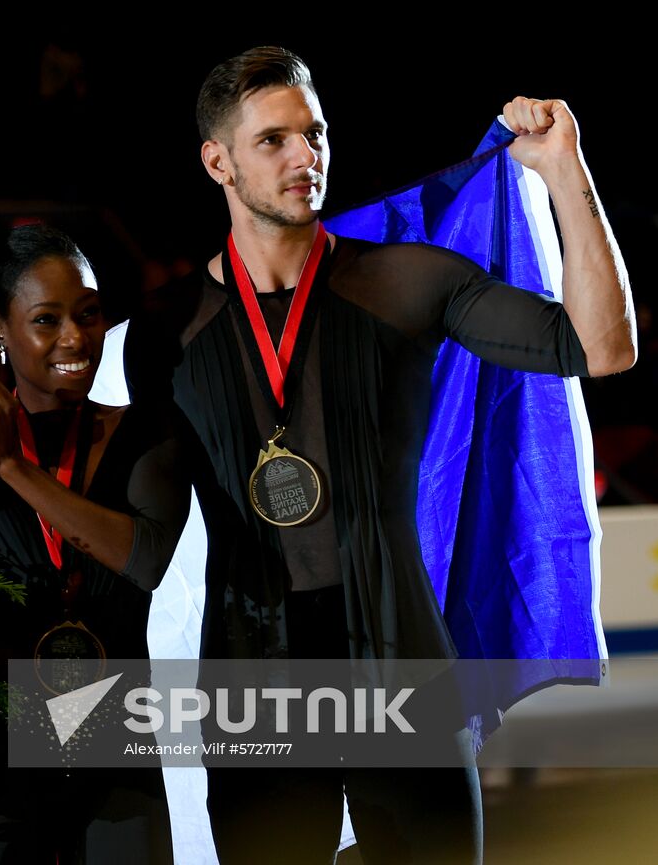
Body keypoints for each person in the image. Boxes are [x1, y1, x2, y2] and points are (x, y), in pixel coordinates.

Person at [123, 46, 637, 864]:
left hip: (403, 673)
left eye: (314, 134)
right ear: (216, 160)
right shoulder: (166, 330)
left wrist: (562, 170)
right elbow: (142, 542)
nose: (305, 158)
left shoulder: (405, 283)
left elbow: (602, 348)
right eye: (273, 141)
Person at [0, 224, 191, 864]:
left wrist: (14, 470)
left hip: (118, 743)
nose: (74, 339)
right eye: (46, 319)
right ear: (0, 332)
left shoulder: (149, 434)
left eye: (88, 315)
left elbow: (143, 560)